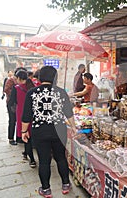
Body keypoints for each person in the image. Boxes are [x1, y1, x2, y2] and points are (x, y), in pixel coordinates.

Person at [21, 66, 78, 197]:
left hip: (40, 131)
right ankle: (65, 185)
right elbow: (68, 113)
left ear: (40, 77)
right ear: (55, 78)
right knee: (61, 158)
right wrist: (74, 127)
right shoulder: (61, 92)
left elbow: (26, 115)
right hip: (59, 130)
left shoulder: (32, 93)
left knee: (44, 160)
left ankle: (46, 189)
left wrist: (24, 131)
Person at [9, 70, 36, 168]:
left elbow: (11, 102)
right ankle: (26, 153)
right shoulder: (33, 87)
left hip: (22, 114)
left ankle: (32, 160)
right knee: (31, 135)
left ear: (19, 78)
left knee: (26, 136)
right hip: (33, 114)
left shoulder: (16, 88)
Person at [4, 67, 27, 145]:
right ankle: (11, 138)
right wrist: (16, 93)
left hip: (18, 103)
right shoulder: (11, 80)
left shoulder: (22, 82)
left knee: (19, 121)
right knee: (12, 121)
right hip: (11, 104)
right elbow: (6, 89)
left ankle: (19, 137)